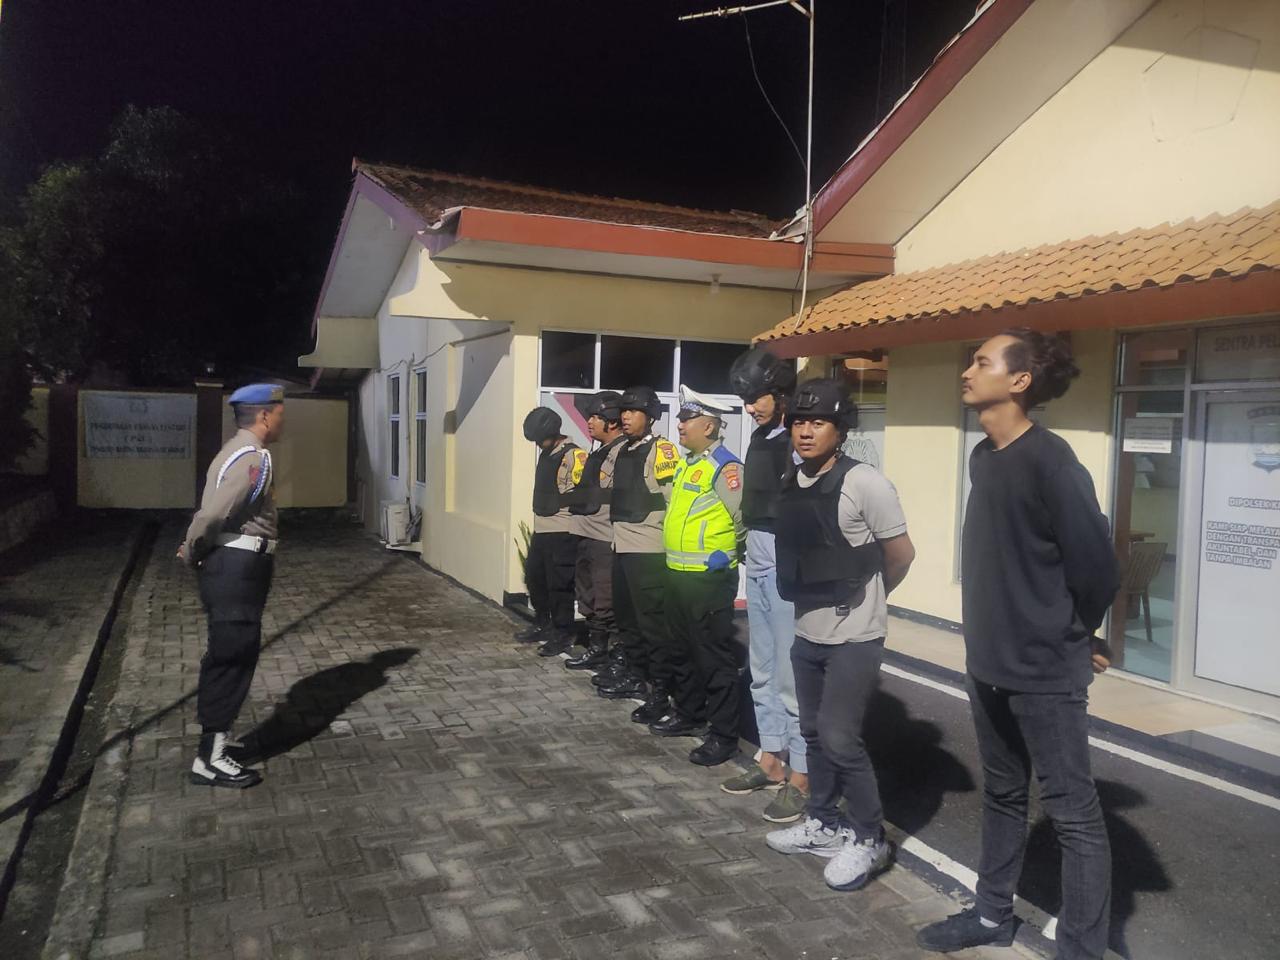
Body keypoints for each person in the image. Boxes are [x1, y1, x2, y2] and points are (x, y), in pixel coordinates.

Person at [916, 329, 1118, 960]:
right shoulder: (984, 457)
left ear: (1020, 380)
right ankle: (991, 915)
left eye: (982, 362)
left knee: (1073, 814)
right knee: (1003, 794)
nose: (967, 371)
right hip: (988, 662)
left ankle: (1081, 949)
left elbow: (1097, 567)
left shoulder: (1052, 461)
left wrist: (1079, 633)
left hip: (1044, 670)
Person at [764, 378, 916, 894]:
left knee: (839, 737)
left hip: (855, 634)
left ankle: (870, 838)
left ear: (840, 429)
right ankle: (823, 822)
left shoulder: (866, 483)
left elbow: (901, 555)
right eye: (799, 422)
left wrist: (872, 600)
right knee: (812, 733)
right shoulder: (793, 479)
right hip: (807, 629)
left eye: (818, 422)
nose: (806, 431)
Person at [178, 383, 286, 788]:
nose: (282, 420)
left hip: (234, 568)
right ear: (264, 415)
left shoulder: (234, 451)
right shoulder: (253, 458)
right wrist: (192, 549)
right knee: (232, 655)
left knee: (232, 652)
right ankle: (210, 759)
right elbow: (212, 516)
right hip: (237, 570)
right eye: (279, 413)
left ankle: (214, 747)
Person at [720, 346, 809, 823]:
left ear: (780, 393)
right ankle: (771, 758)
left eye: (756, 398)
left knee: (791, 676)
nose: (749, 407)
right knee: (763, 669)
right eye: (746, 400)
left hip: (785, 556)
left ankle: (802, 775)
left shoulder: (799, 437)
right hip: (756, 553)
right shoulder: (761, 436)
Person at [658, 385, 748, 766]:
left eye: (687, 419)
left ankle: (724, 736)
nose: (679, 425)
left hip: (709, 580)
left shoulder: (725, 467)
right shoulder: (687, 463)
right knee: (681, 650)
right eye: (680, 419)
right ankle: (689, 713)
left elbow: (743, 519)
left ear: (709, 426)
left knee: (714, 658)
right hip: (678, 574)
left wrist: (728, 556)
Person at [596, 386, 682, 721]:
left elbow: (674, 500)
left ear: (650, 416)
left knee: (652, 626)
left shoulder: (662, 451)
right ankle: (635, 677)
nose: (626, 417)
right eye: (623, 412)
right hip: (621, 547)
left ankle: (660, 692)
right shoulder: (622, 450)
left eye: (633, 412)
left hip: (648, 551)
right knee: (627, 621)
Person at [565, 391, 628, 672]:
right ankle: (597, 648)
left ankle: (613, 653)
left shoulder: (623, 452)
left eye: (595, 417)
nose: (589, 422)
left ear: (612, 421)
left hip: (604, 537)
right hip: (585, 533)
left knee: (605, 598)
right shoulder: (599, 449)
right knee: (587, 595)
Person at [519, 407, 585, 658]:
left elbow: (583, 495)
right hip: (543, 529)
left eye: (540, 438)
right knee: (535, 578)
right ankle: (543, 623)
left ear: (553, 432)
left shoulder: (574, 456)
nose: (537, 444)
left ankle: (563, 633)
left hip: (563, 530)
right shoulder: (547, 453)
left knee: (560, 586)